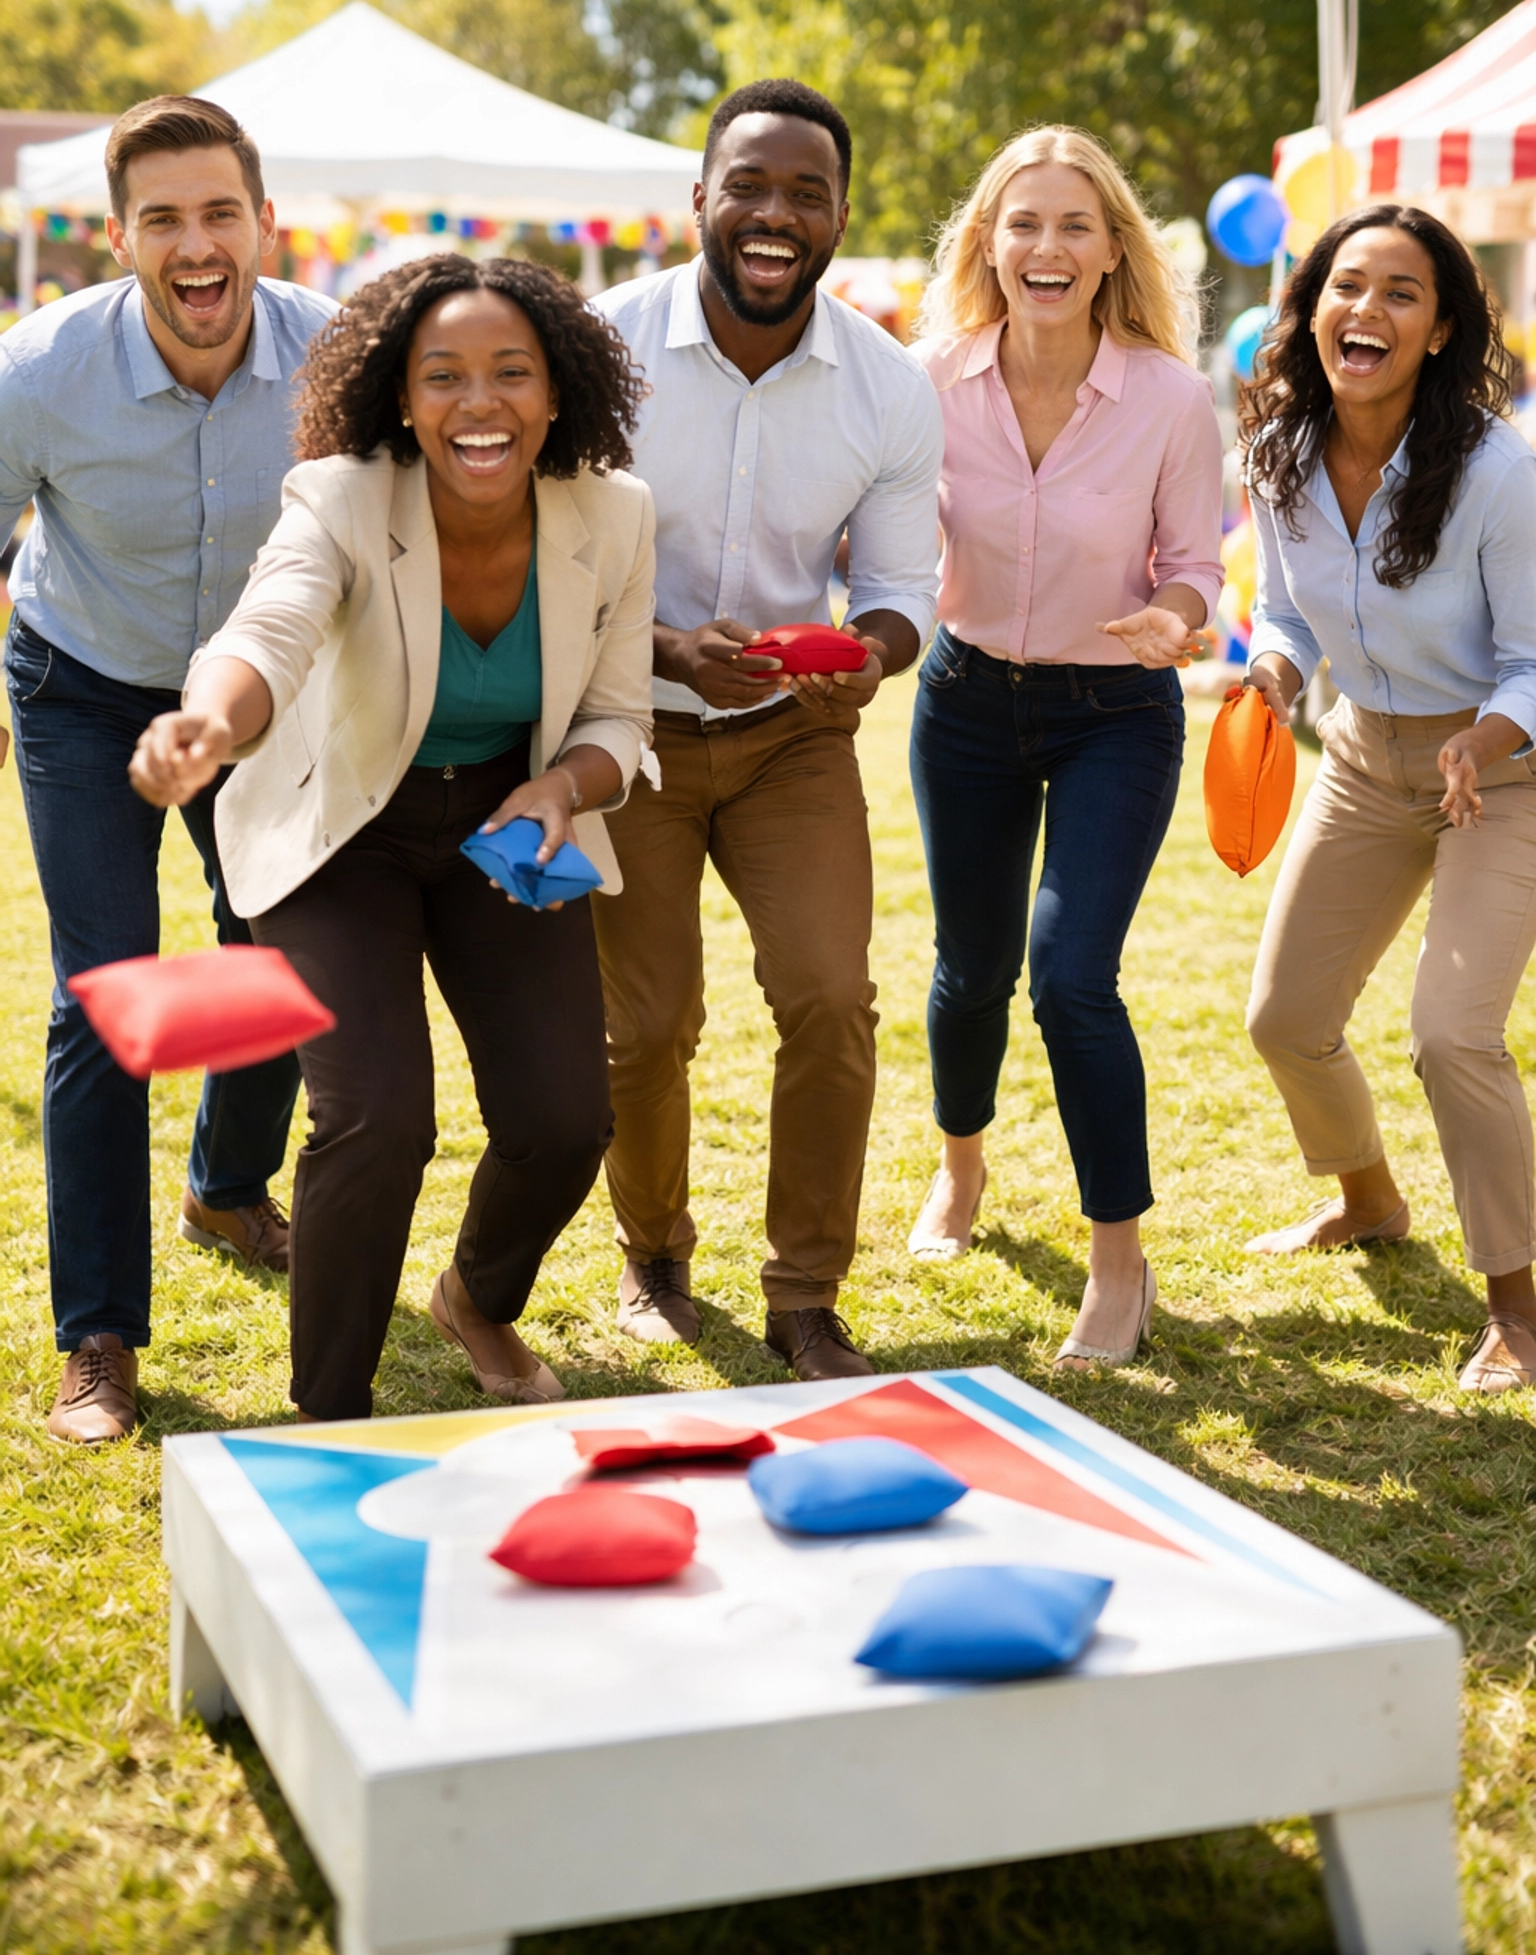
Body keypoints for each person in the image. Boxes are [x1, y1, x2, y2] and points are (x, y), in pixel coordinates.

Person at [130, 255, 655, 1424]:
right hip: (343, 829)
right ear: (401, 399)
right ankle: (330, 1414)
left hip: (508, 823)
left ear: (557, 392)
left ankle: (474, 1296)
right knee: (377, 1117)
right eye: (445, 377)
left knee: (565, 1118)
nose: (481, 403)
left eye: (511, 373)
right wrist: (209, 722)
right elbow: (270, 626)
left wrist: (564, 786)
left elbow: (621, 715)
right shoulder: (343, 496)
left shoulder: (613, 513)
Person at [591, 79, 943, 1379]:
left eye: (807, 192)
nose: (775, 214)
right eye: (749, 184)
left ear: (842, 215)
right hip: (627, 723)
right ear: (699, 199)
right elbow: (545, 565)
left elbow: (904, 594)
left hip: (798, 739)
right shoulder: (599, 350)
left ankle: (805, 1296)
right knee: (647, 1024)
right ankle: (654, 1250)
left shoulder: (889, 387)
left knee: (829, 998)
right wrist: (667, 649)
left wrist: (871, 660)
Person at [0, 96, 334, 1445]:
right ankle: (98, 1334)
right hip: (83, 684)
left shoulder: (335, 357)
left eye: (218, 215)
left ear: (263, 223)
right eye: (162, 221)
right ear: (118, 236)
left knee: (274, 957)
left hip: (257, 697)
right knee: (108, 995)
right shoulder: (38, 370)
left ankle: (225, 1185)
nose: (195, 247)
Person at [903, 126, 1223, 1370]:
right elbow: (877, 530)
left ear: (1110, 253)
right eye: (1024, 222)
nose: (1047, 245)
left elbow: (1196, 565)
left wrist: (1178, 617)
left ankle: (1119, 1262)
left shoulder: (1169, 399)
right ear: (989, 241)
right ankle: (961, 1170)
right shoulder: (926, 381)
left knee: (1070, 975)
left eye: (1075, 226)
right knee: (970, 967)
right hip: (967, 702)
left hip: (1115, 715)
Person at [1240, 205, 1536, 1394]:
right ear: (1312, 309)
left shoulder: (1502, 473)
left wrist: (1488, 737)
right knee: (1283, 1017)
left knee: (1451, 1036)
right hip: (1362, 758)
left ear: (1441, 329)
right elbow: (1288, 612)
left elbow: (1534, 659)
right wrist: (1269, 672)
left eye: (1401, 293)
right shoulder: (1275, 454)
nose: (1367, 310)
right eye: (1347, 286)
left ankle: (1516, 1303)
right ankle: (1368, 1199)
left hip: (1503, 776)